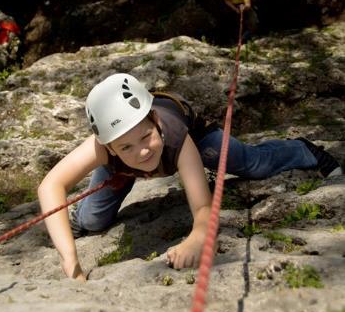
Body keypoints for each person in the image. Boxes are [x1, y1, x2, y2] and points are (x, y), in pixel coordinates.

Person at [38, 73, 343, 281]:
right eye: (126, 146)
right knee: (91, 222)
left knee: (255, 164)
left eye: (145, 136)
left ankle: (304, 150)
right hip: (120, 168)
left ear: (155, 121)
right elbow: (51, 185)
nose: (142, 151)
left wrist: (197, 239)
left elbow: (202, 208)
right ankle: (82, 214)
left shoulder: (176, 137)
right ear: (108, 147)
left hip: (199, 141)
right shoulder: (104, 149)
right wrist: (70, 259)